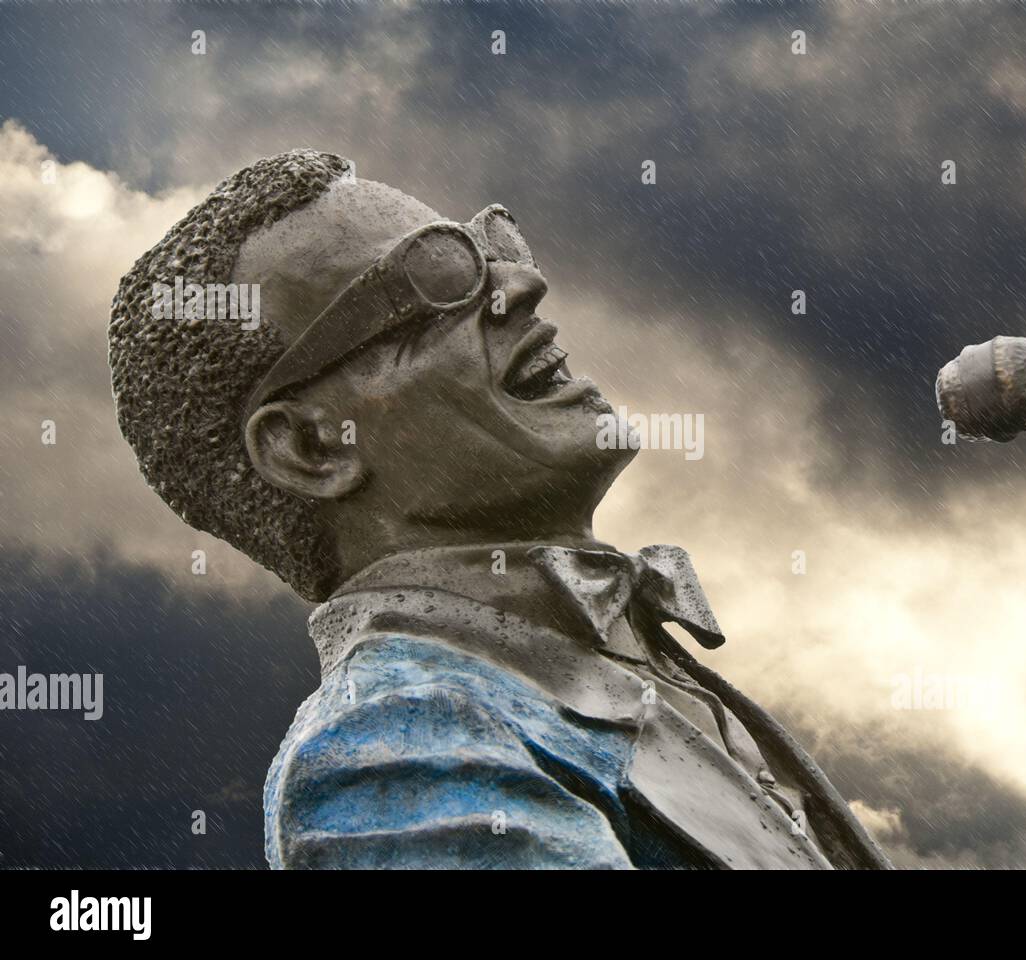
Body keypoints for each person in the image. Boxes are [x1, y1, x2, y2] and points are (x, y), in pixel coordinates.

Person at [109, 149, 891, 869]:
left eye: (494, 250)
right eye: (437, 277)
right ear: (313, 447)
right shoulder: (391, 745)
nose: (522, 286)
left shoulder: (622, 666)